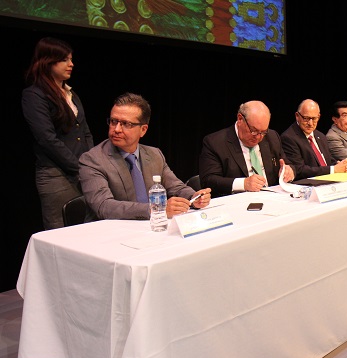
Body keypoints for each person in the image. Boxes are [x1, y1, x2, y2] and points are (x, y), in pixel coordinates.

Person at [79, 92, 211, 221]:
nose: (117, 129)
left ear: (143, 130)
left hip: (150, 226)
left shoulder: (154, 154)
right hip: (109, 230)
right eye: (114, 121)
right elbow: (104, 206)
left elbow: (176, 187)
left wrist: (193, 197)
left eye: (126, 124)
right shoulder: (92, 160)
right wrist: (156, 209)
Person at [22, 37, 94, 230]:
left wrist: (90, 162)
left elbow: (85, 131)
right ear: (47, 62)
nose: (71, 64)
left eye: (71, 59)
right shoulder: (35, 95)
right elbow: (46, 138)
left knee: (86, 230)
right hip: (56, 175)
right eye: (64, 60)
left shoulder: (71, 94)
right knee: (60, 233)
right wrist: (78, 166)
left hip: (82, 173)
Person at [198, 100, 295, 197]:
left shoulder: (272, 137)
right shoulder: (215, 142)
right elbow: (208, 180)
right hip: (236, 201)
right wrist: (243, 184)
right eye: (254, 131)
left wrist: (289, 172)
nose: (258, 137)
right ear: (240, 119)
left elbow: (288, 164)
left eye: (263, 132)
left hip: (272, 198)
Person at [281, 99, 347, 180]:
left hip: (330, 181)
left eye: (314, 119)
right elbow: (299, 170)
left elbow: (329, 160)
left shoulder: (320, 136)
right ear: (297, 116)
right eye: (306, 118)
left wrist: (343, 165)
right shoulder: (289, 138)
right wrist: (333, 169)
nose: (310, 123)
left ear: (319, 117)